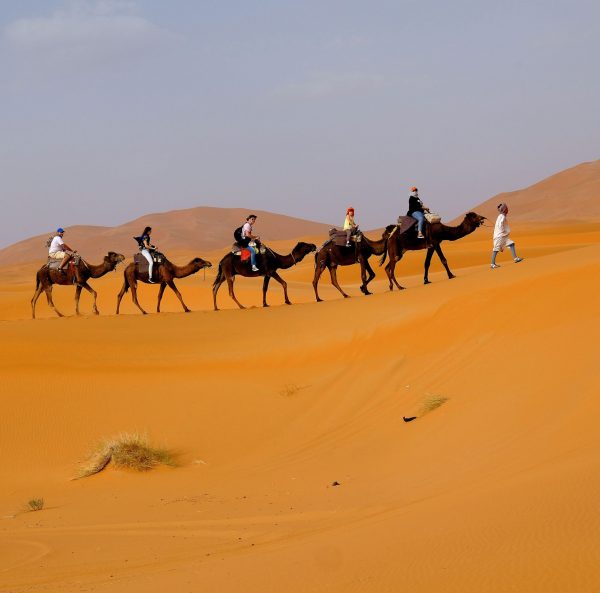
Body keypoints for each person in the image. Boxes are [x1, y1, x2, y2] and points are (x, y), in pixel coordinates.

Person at [491, 203, 523, 269]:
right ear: (504, 209)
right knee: (496, 249)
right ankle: (492, 264)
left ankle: (516, 258)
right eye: (506, 208)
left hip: (503, 236)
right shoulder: (502, 216)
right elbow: (500, 225)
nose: (507, 209)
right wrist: (503, 231)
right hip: (500, 236)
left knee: (511, 244)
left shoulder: (501, 216)